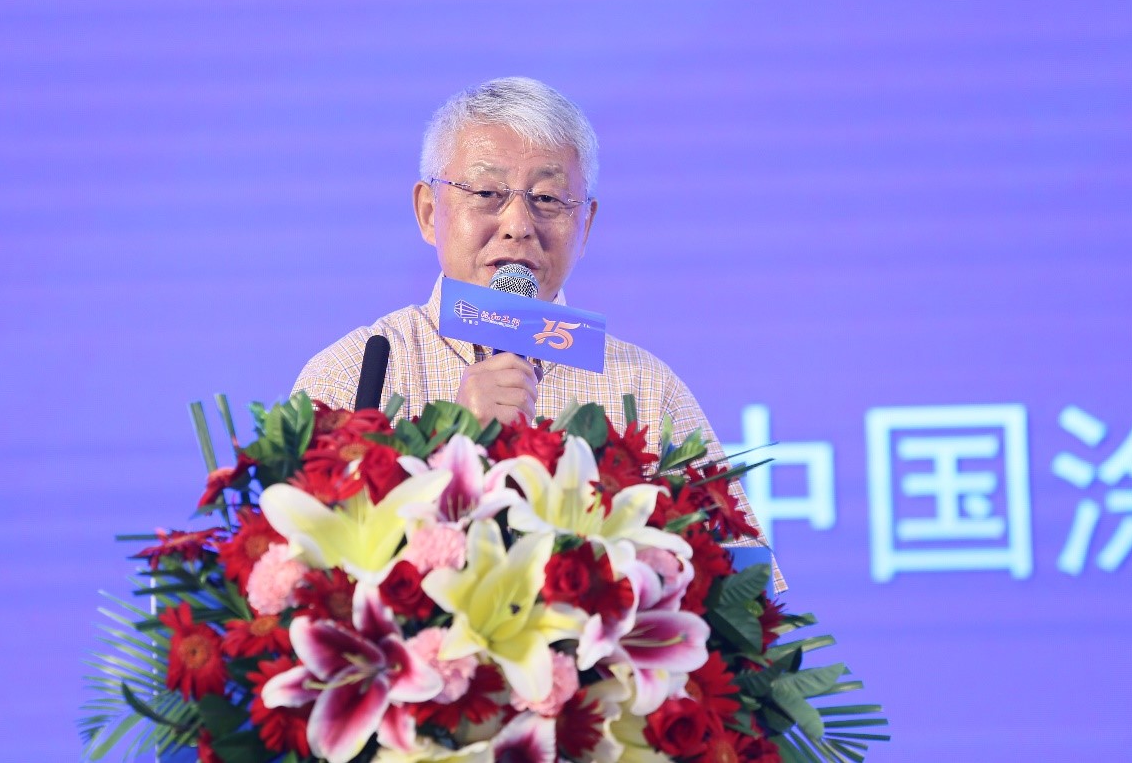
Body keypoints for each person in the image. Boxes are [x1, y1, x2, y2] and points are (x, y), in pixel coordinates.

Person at [293, 77, 783, 590]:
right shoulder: (353, 373)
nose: (518, 224)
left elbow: (743, 596)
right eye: (488, 193)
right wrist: (450, 444)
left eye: (547, 198)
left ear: (585, 225)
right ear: (428, 212)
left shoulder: (645, 389)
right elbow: (299, 585)